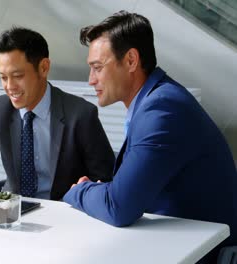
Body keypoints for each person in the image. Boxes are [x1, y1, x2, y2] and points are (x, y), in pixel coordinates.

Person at [63, 11, 237, 262]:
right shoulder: (157, 101)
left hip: (201, 255)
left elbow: (119, 207)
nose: (91, 80)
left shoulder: (162, 111)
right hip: (175, 244)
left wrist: (79, 191)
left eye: (98, 68)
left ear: (131, 60)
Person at [0, 27, 115, 200]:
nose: (10, 86)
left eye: (18, 75)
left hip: (64, 213)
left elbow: (106, 181)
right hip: (13, 212)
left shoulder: (81, 115)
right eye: (3, 77)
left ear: (44, 68)